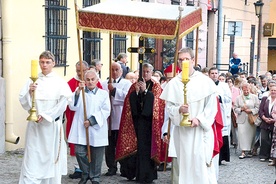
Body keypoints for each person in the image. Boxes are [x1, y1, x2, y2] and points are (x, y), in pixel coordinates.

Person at [160, 47, 218, 183]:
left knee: (201, 169)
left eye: (186, 59)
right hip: (182, 133)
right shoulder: (174, 83)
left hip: (200, 132)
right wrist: (179, 110)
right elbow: (169, 108)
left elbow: (211, 107)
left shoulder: (205, 82)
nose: (183, 63)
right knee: (184, 170)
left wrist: (200, 119)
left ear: (193, 60)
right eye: (180, 60)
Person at [19, 51, 72, 184]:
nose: (44, 65)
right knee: (32, 156)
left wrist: (47, 116)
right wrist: (29, 92)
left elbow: (63, 103)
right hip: (35, 126)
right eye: (42, 62)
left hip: (51, 126)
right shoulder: (33, 80)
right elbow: (23, 101)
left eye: (47, 62)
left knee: (50, 158)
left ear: (53, 63)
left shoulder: (59, 82)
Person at [116, 63, 165, 183]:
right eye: (144, 72)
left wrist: (146, 92)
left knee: (146, 149)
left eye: (148, 72)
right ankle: (134, 173)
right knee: (136, 149)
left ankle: (147, 175)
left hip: (149, 124)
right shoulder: (134, 85)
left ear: (152, 73)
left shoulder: (156, 86)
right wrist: (136, 93)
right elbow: (129, 103)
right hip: (136, 122)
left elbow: (157, 104)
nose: (146, 74)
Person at [68, 70, 111, 184]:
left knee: (97, 155)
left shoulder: (103, 94)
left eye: (93, 79)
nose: (90, 82)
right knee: (79, 152)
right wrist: (77, 92)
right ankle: (86, 172)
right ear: (84, 81)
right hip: (81, 128)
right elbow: (72, 106)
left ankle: (95, 177)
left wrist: (92, 121)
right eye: (88, 79)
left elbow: (106, 110)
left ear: (97, 80)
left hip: (97, 128)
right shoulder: (81, 92)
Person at [65, 61, 102, 179]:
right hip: (76, 118)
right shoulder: (71, 83)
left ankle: (90, 171)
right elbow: (70, 102)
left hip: (93, 122)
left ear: (87, 70)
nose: (80, 74)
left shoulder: (94, 82)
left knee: (92, 145)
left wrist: (93, 120)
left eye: (83, 71)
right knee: (78, 147)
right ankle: (78, 167)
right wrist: (77, 92)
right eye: (78, 71)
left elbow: (101, 101)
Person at [101, 62, 132, 176]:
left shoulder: (126, 83)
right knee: (109, 146)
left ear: (121, 71)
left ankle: (124, 167)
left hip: (120, 118)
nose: (114, 72)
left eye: (116, 69)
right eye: (112, 69)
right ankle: (111, 167)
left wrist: (114, 91)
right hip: (108, 119)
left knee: (121, 144)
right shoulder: (104, 83)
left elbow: (127, 97)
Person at [234, 82, 259, 159]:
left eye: (247, 90)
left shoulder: (254, 97)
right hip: (242, 119)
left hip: (251, 119)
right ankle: (243, 151)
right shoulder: (238, 98)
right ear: (242, 90)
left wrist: (251, 111)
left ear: (249, 89)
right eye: (244, 90)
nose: (246, 92)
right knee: (242, 135)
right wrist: (241, 109)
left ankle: (250, 149)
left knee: (251, 135)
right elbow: (235, 108)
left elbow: (258, 108)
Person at [258, 85, 276, 162]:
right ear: (269, 91)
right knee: (264, 138)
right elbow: (260, 110)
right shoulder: (265, 99)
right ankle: (263, 155)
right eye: (272, 90)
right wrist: (264, 118)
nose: (273, 92)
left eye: (275, 90)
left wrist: (273, 119)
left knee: (273, 139)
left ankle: (271, 156)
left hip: (274, 123)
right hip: (265, 122)